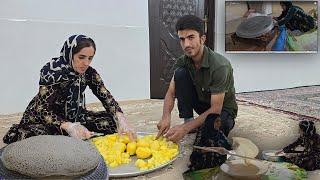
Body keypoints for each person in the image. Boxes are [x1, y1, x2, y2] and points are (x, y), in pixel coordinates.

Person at [3, 35, 136, 144]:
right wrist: (68, 126)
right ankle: (67, 133)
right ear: (70, 54)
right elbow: (42, 110)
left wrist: (120, 117)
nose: (86, 63)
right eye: (81, 57)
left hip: (75, 116)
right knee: (44, 139)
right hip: (45, 118)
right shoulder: (52, 72)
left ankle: (74, 132)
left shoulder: (89, 73)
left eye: (90, 58)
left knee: (112, 123)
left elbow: (105, 95)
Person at [156, 15, 237, 170]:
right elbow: (171, 92)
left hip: (222, 111)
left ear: (202, 39)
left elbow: (215, 109)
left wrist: (184, 130)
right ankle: (189, 122)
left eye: (191, 37)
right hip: (201, 105)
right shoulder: (184, 60)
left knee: (207, 143)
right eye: (182, 39)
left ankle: (194, 127)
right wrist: (165, 116)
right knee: (180, 74)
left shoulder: (220, 66)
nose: (186, 44)